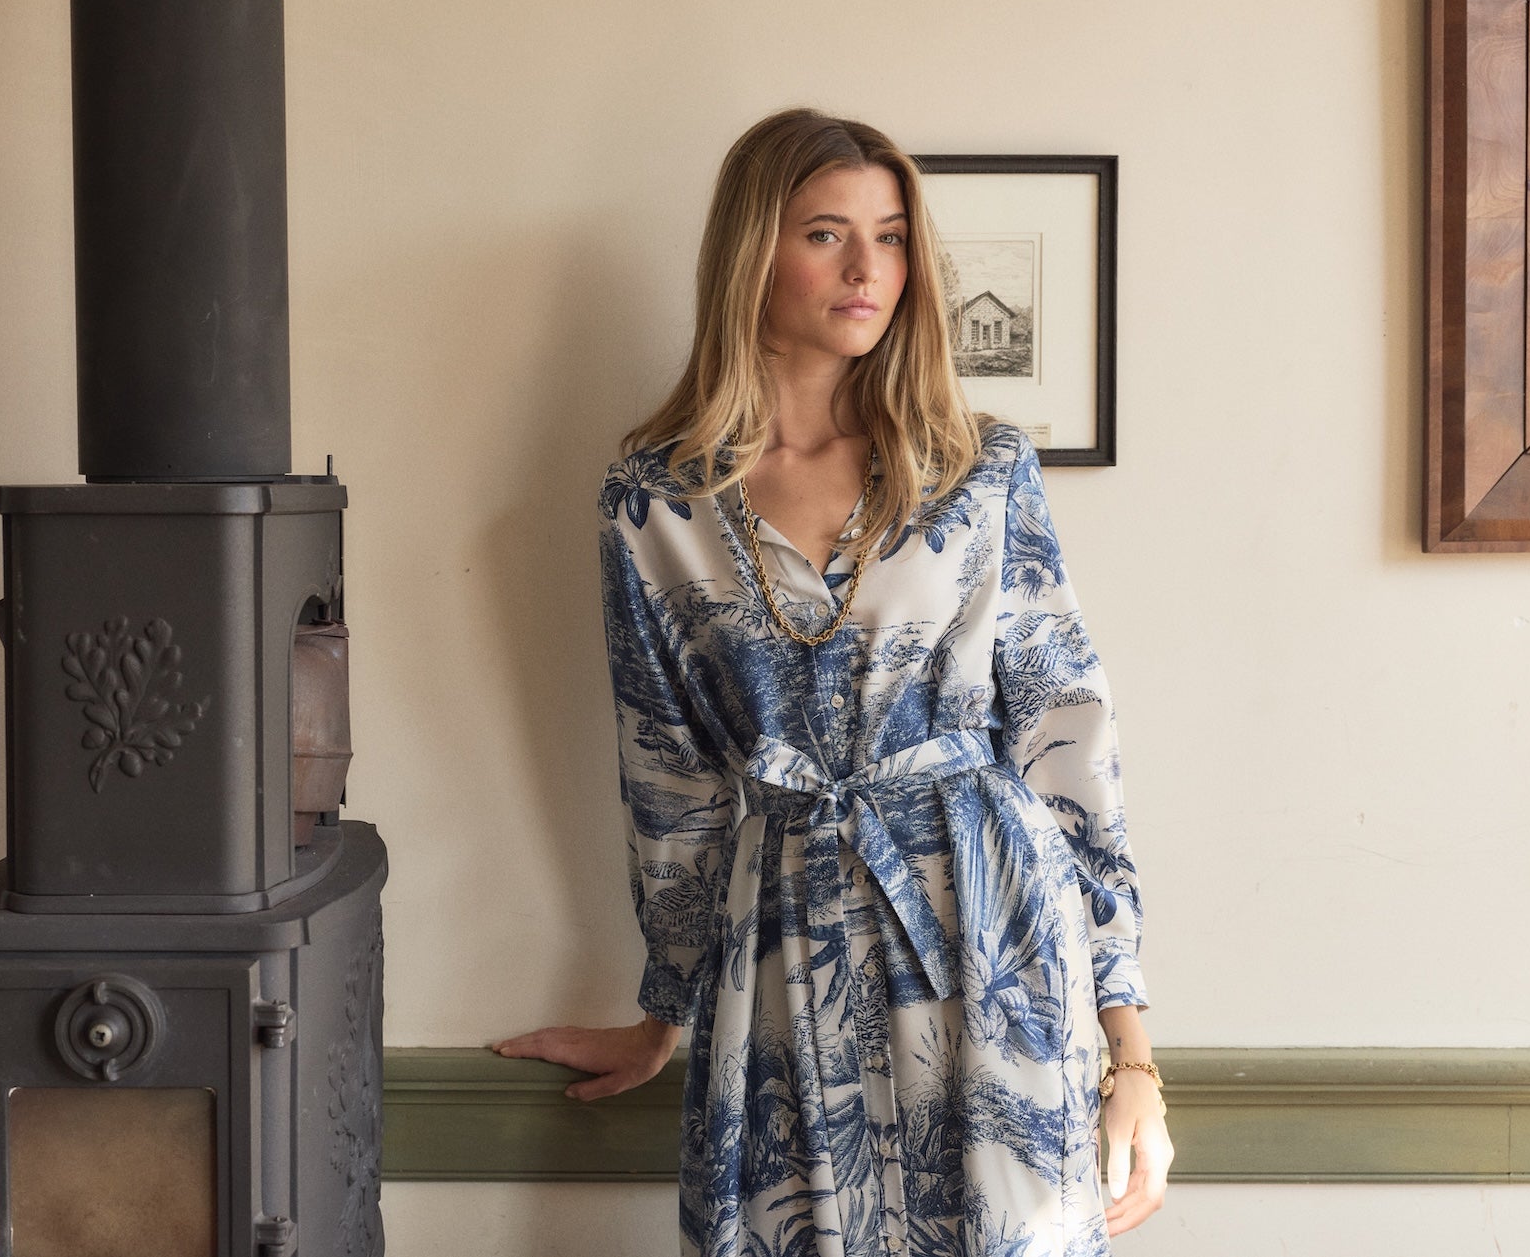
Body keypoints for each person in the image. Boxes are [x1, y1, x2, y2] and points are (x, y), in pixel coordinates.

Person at [496, 108, 1171, 1256]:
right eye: (826, 233)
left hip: (992, 930)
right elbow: (669, 783)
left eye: (892, 236)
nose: (869, 269)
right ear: (751, 253)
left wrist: (1134, 1062)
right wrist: (664, 1012)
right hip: (784, 940)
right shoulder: (654, 503)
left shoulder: (979, 469)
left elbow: (1069, 742)